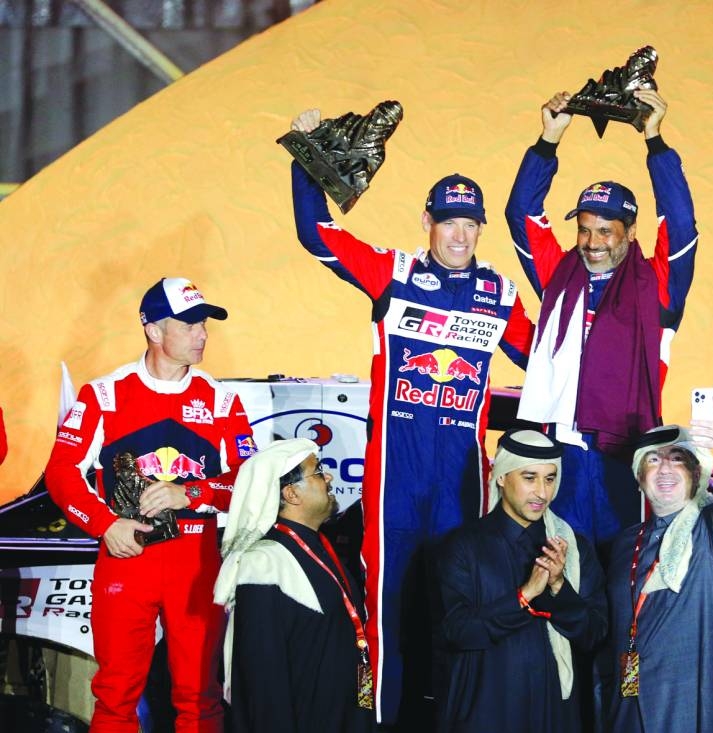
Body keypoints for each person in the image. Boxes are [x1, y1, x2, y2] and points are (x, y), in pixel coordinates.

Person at [288, 108, 535, 727]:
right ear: (428, 222)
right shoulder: (393, 273)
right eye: (449, 222)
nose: (460, 236)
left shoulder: (499, 293)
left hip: (460, 483)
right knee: (390, 605)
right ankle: (383, 722)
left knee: (460, 609)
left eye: (470, 225)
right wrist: (306, 157)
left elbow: (546, 359)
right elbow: (316, 233)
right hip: (395, 476)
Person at [45, 277, 257, 733]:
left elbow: (249, 480)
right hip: (127, 555)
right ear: (154, 330)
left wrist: (193, 492)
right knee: (115, 694)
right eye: (190, 325)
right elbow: (61, 472)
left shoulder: (222, 400)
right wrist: (105, 524)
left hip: (196, 561)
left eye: (204, 324)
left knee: (200, 696)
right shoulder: (104, 394)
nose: (202, 334)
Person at [505, 88, 698, 544]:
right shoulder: (559, 274)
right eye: (584, 230)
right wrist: (548, 141)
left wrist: (655, 142)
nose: (593, 243)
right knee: (561, 564)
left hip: (625, 451)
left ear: (630, 232)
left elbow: (681, 223)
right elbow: (521, 213)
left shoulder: (658, 286)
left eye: (606, 231)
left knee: (620, 564)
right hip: (561, 452)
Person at [436, 429, 607, 733]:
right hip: (484, 710)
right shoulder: (463, 545)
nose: (542, 492)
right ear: (502, 477)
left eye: (550, 479)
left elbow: (594, 634)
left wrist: (558, 587)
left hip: (555, 713)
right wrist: (524, 596)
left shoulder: (572, 547)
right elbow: (455, 631)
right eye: (530, 478)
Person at [606, 401, 713, 732]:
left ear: (697, 473)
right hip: (632, 700)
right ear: (639, 477)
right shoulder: (625, 542)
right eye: (653, 460)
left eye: (677, 459)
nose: (665, 469)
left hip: (694, 703)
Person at [214, 438, 374, 733]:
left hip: (349, 715)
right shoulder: (262, 562)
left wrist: (364, 711)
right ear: (291, 493)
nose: (329, 477)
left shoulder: (323, 547)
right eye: (319, 471)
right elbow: (262, 679)